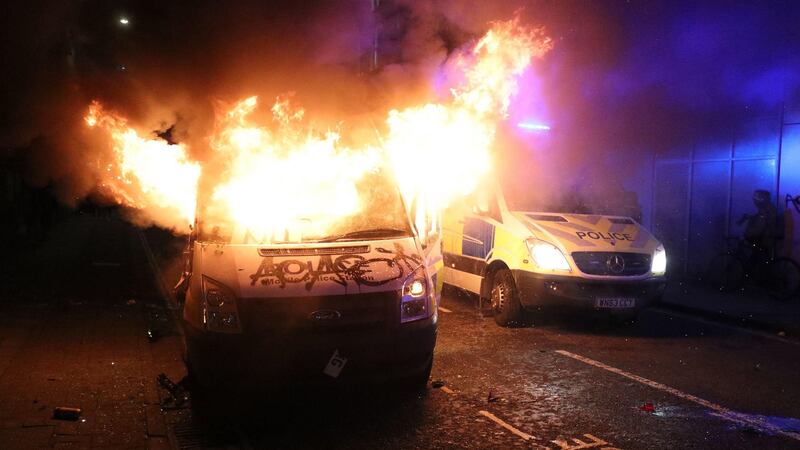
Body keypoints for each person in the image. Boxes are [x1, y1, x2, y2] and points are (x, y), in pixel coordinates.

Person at [737, 189, 777, 260]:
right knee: (755, 253)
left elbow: (761, 226)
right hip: (765, 235)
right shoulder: (767, 207)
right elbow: (760, 218)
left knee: (746, 241)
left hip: (765, 237)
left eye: (757, 197)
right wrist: (750, 217)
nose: (754, 200)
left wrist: (748, 233)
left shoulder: (766, 209)